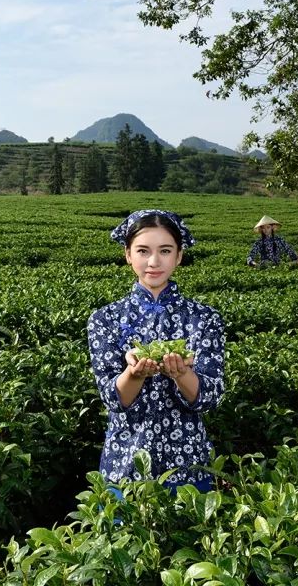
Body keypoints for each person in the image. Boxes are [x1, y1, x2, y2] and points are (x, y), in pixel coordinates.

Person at [87, 209, 225, 493]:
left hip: (188, 463)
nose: (153, 261)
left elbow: (210, 397)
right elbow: (112, 398)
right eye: (142, 250)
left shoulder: (203, 318)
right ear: (128, 254)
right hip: (125, 465)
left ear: (179, 256)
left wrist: (182, 373)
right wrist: (134, 375)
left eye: (165, 250)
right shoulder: (105, 319)